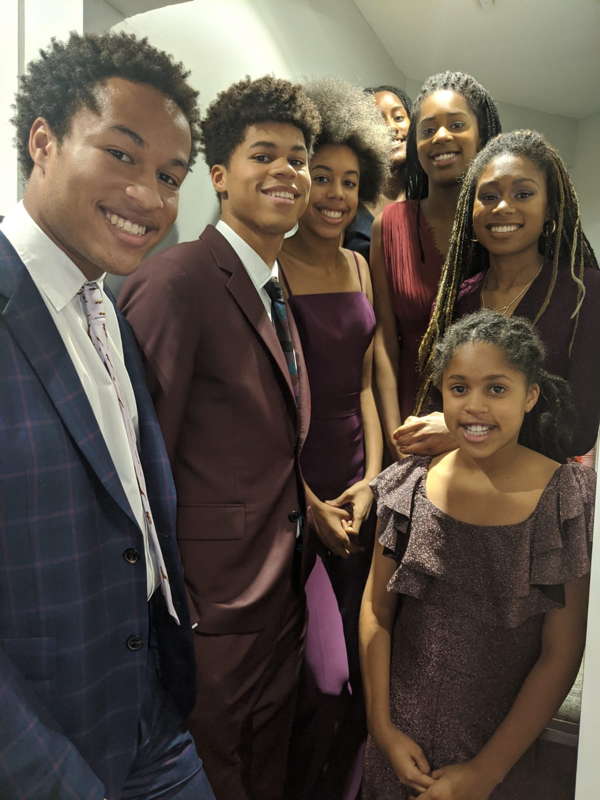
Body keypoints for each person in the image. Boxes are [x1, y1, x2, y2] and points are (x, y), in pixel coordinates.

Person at [0, 32, 215, 799]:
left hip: (150, 717)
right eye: (121, 155)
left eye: (169, 174)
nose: (151, 198)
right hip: (40, 750)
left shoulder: (108, 310)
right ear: (44, 141)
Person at [119, 76, 320, 800]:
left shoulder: (273, 285)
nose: (286, 172)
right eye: (263, 154)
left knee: (267, 772)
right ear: (218, 176)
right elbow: (138, 470)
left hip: (279, 597)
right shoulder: (177, 281)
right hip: (209, 613)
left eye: (298, 158)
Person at [360, 310, 593, 800]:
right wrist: (383, 729)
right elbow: (376, 613)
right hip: (400, 737)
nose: (475, 407)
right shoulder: (410, 485)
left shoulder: (564, 499)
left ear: (530, 396)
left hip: (499, 750)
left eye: (497, 389)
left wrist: (486, 770)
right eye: (459, 388)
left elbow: (561, 653)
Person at [279, 78, 388, 800]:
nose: (336, 194)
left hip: (362, 491)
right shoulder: (271, 266)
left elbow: (373, 383)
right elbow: (262, 407)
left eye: (350, 181)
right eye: (321, 176)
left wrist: (376, 477)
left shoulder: (358, 263)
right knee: (323, 672)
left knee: (365, 667)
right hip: (298, 499)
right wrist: (309, 498)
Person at [399, 129, 600, 460]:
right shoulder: (457, 299)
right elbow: (441, 400)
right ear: (471, 209)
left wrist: (460, 431)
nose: (503, 207)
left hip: (536, 495)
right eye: (488, 196)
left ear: (549, 209)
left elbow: (577, 432)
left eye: (523, 194)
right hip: (463, 485)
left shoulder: (585, 291)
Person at [370, 71, 502, 442]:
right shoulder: (389, 224)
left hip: (489, 433)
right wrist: (396, 436)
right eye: (427, 129)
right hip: (407, 429)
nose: (441, 136)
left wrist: (463, 430)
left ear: (482, 135)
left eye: (457, 124)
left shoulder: (504, 224)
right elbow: (383, 338)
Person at [343, 84, 412, 262]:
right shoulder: (347, 201)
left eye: (398, 117)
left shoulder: (430, 194)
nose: (391, 127)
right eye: (378, 121)